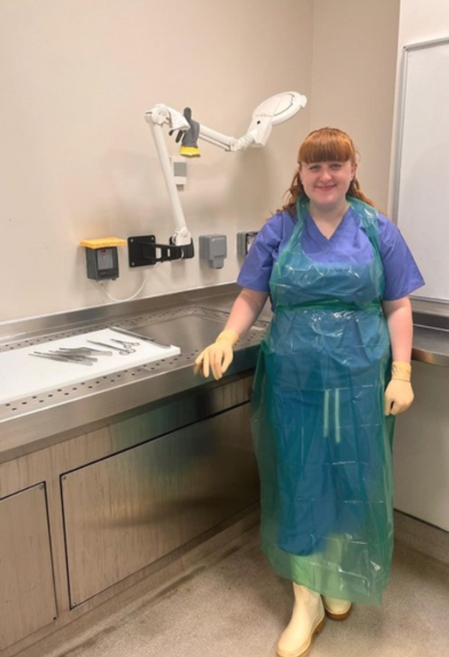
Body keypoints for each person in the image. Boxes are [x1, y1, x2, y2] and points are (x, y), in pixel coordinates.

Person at [194, 128, 424, 657]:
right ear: (299, 172)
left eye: (335, 166)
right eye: (313, 166)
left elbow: (398, 305)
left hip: (361, 376)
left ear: (352, 169)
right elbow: (253, 295)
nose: (325, 176)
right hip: (295, 378)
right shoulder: (280, 228)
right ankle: (307, 599)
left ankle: (339, 575)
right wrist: (229, 336)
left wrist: (403, 373)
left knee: (352, 470)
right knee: (299, 476)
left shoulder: (377, 229)